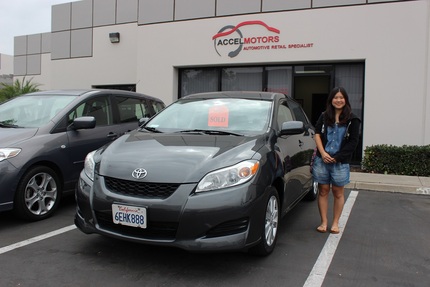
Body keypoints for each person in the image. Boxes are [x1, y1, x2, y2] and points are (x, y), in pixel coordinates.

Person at [312, 87, 361, 234]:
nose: (338, 100)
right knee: (323, 191)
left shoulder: (353, 119)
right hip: (322, 161)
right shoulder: (324, 116)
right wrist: (323, 152)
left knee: (338, 192)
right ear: (331, 100)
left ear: (345, 100)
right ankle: (324, 222)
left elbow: (353, 142)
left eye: (341, 97)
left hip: (340, 162)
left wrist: (337, 157)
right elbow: (317, 134)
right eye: (335, 97)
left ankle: (335, 223)